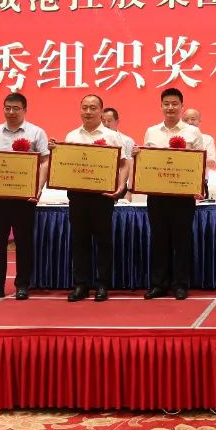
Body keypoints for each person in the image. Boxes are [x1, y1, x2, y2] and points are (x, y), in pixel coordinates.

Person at [0, 92, 49, 301]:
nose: (11, 112)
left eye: (16, 108)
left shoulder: (36, 132)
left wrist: (38, 189)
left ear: (24, 110)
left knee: (24, 243)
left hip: (24, 199)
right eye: (7, 108)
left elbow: (45, 161)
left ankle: (22, 285)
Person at [137, 88, 204, 300]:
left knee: (182, 241)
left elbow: (200, 163)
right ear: (161, 106)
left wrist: (199, 186)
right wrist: (138, 156)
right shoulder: (151, 131)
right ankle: (159, 284)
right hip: (157, 195)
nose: (170, 107)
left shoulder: (192, 132)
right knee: (159, 240)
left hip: (183, 195)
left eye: (174, 103)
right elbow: (147, 161)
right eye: (166, 103)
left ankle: (181, 285)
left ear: (182, 106)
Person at [61, 94, 128, 302]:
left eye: (93, 107)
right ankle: (80, 285)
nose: (88, 111)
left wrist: (120, 186)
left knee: (103, 241)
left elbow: (123, 164)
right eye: (85, 107)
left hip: (102, 196)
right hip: (78, 196)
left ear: (101, 111)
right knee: (79, 240)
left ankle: (102, 285)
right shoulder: (72, 136)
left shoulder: (112, 136)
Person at [101, 107, 136, 199]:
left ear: (117, 122)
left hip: (121, 187)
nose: (106, 124)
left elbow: (131, 166)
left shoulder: (127, 141)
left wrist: (129, 191)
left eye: (109, 121)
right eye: (103, 121)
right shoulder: (97, 139)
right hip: (100, 184)